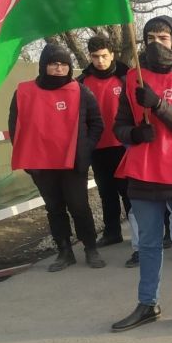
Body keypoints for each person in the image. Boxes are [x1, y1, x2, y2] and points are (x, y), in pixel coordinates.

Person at [111, 16, 172, 333]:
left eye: (163, 37)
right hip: (142, 173)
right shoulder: (132, 78)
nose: (156, 42)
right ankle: (147, 304)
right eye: (150, 36)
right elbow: (119, 127)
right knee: (149, 245)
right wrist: (135, 134)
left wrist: (158, 105)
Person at [9, 43, 106, 272]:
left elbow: (96, 124)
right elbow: (15, 126)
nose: (60, 68)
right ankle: (64, 251)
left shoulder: (81, 91)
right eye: (54, 63)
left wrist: (85, 149)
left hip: (73, 163)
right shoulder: (24, 92)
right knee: (54, 208)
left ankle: (90, 248)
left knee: (79, 206)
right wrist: (27, 155)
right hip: (41, 165)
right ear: (44, 66)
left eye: (64, 64)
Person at [77, 34, 131, 249]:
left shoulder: (126, 77)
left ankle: (139, 233)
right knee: (106, 192)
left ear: (113, 54)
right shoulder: (82, 82)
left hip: (123, 145)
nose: (100, 61)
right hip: (97, 147)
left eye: (104, 56)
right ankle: (112, 232)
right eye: (95, 56)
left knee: (128, 192)